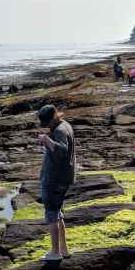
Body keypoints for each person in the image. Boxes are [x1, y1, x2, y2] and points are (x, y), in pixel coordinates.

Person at [37, 104, 77, 261]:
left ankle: (55, 252)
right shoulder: (65, 124)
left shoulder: (60, 130)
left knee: (52, 214)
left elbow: (62, 151)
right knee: (58, 213)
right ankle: (63, 249)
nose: (47, 126)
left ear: (53, 117)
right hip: (62, 177)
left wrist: (46, 140)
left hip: (55, 178)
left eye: (47, 123)